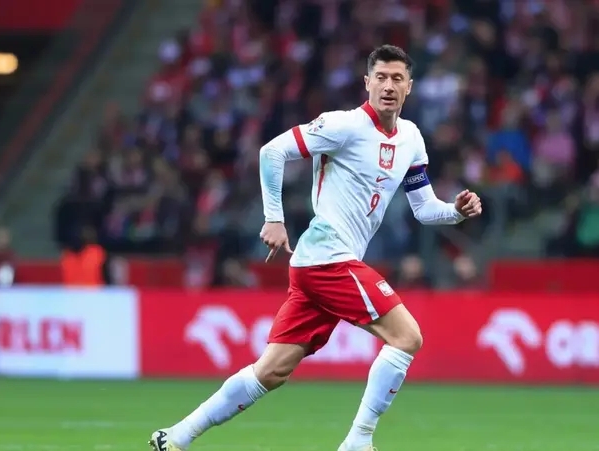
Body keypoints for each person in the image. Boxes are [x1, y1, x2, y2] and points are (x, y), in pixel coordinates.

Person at [149, 45, 482, 451]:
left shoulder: (411, 138)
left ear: (409, 87)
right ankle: (358, 441)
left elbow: (424, 208)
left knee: (271, 371)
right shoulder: (343, 125)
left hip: (320, 266)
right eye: (380, 77)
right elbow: (272, 151)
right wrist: (274, 218)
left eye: (397, 78)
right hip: (328, 258)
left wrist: (456, 212)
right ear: (367, 82)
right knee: (407, 337)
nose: (388, 86)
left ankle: (177, 436)